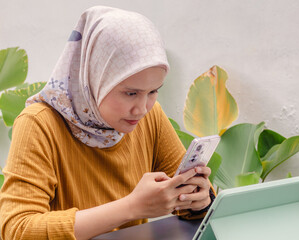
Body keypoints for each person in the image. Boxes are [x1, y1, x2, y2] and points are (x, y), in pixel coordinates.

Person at [0, 6, 214, 240]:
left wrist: (199, 200)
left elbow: (190, 201)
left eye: (153, 91)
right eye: (130, 93)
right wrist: (131, 207)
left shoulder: (150, 116)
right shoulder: (39, 124)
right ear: (93, 79)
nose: (141, 108)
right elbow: (17, 230)